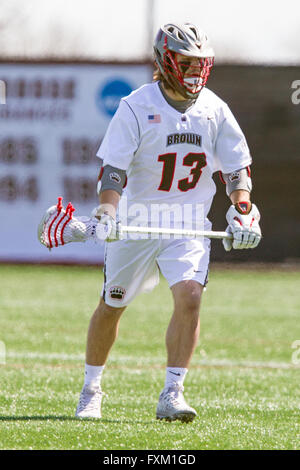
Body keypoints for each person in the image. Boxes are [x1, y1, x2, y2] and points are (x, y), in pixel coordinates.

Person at [38, 23, 261, 422]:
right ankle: (92, 388)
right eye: (186, 62)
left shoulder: (214, 109)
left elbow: (236, 169)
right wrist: (108, 211)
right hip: (137, 219)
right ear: (165, 61)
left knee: (191, 296)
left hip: (188, 220)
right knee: (112, 304)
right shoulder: (136, 105)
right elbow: (115, 170)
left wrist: (242, 207)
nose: (194, 71)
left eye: (200, 63)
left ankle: (172, 393)